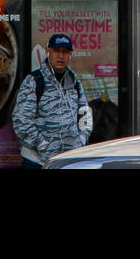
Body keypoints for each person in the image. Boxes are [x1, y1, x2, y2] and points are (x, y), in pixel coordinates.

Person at [12, 33, 92, 168]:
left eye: (65, 52)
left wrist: (81, 141)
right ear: (48, 51)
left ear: (70, 54)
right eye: (56, 51)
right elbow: (21, 121)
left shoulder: (75, 82)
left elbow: (85, 115)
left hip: (68, 162)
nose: (61, 56)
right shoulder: (34, 81)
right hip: (38, 162)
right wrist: (44, 147)